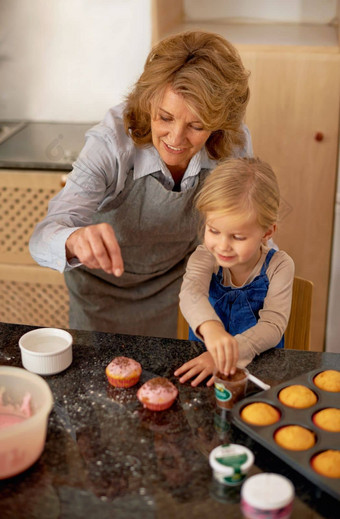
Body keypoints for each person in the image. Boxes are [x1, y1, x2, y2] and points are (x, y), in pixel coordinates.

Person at [29, 30, 252, 338]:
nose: (175, 139)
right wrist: (74, 239)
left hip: (179, 290)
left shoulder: (231, 143)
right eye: (164, 117)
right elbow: (42, 238)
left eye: (196, 125)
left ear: (219, 124)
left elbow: (246, 224)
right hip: (101, 297)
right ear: (148, 102)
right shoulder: (111, 143)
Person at [174, 157, 294, 386]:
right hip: (202, 366)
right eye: (214, 230)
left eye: (238, 237)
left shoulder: (280, 265)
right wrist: (212, 330)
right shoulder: (204, 256)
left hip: (259, 372)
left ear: (267, 232)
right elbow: (191, 295)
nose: (223, 245)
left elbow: (272, 326)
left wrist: (228, 354)